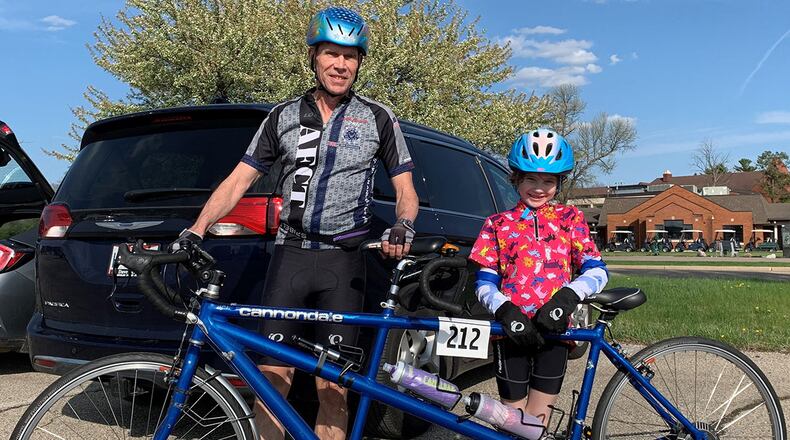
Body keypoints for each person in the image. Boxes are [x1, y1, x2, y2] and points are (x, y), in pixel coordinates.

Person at [172, 7, 419, 439]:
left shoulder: (379, 117)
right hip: (290, 257)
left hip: (345, 263)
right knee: (272, 379)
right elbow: (238, 181)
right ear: (314, 56)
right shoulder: (282, 117)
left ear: (360, 61)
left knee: (333, 385)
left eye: (351, 56)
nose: (341, 65)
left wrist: (403, 225)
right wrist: (197, 228)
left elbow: (406, 190)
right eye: (331, 54)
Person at [469, 128, 608, 427]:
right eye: (530, 178)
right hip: (510, 331)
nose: (539, 187)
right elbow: (484, 282)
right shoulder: (496, 224)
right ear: (516, 179)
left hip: (554, 333)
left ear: (559, 183)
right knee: (511, 422)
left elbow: (597, 270)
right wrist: (505, 310)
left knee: (535, 424)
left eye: (548, 181)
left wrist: (566, 299)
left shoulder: (571, 219)